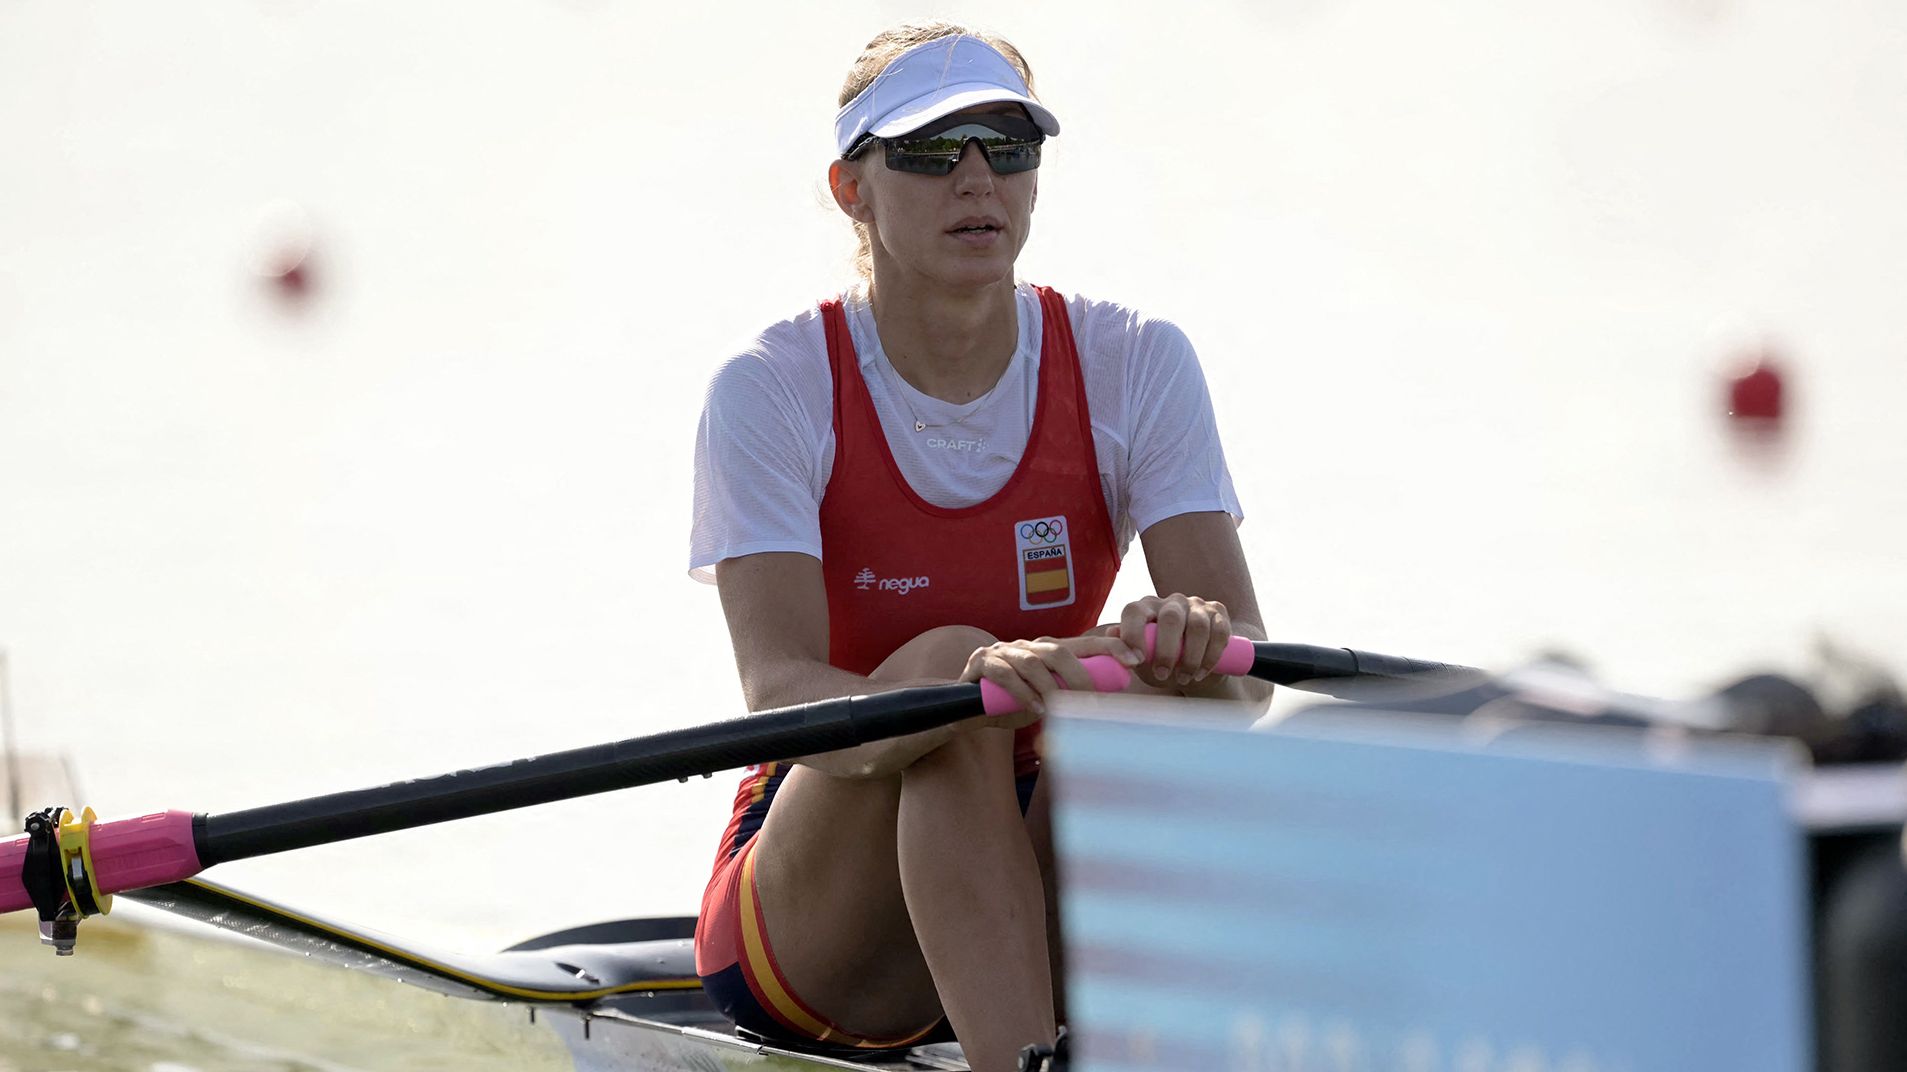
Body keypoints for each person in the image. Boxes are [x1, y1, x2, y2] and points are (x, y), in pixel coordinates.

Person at [688, 22, 1269, 1072]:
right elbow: (777, 696)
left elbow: (1248, 682)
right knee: (955, 677)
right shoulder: (771, 386)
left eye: (1007, 145)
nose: (975, 178)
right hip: (817, 929)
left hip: (1026, 863)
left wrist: (1186, 643)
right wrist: (970, 684)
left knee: (1155, 682)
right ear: (851, 189)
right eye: (926, 149)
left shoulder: (1138, 361)